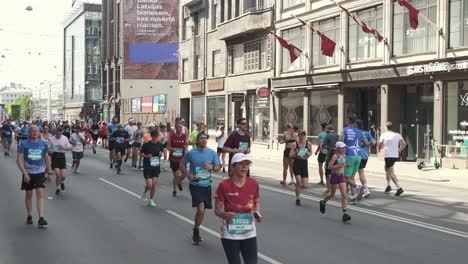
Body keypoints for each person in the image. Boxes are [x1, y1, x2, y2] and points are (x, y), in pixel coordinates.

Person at [214, 153, 261, 264]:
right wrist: (225, 214)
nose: (244, 167)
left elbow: (256, 202)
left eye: (247, 164)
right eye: (240, 164)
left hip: (249, 232)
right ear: (232, 167)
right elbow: (217, 210)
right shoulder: (224, 185)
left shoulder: (253, 183)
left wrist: (257, 212)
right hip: (230, 234)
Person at [180, 132, 221, 245]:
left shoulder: (212, 153)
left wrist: (211, 167)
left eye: (205, 138)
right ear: (197, 141)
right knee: (201, 209)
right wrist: (188, 175)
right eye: (201, 138)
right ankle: (196, 231)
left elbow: (218, 167)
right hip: (195, 185)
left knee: (202, 212)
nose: (204, 140)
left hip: (206, 185)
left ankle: (196, 228)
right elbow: (182, 164)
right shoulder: (191, 153)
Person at [16, 125, 52, 228]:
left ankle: (41, 218)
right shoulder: (24, 144)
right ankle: (29, 215)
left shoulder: (43, 144)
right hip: (28, 173)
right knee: (29, 194)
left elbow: (47, 158)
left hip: (40, 173)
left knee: (40, 193)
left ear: (39, 132)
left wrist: (49, 172)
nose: (35, 132)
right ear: (29, 132)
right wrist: (25, 173)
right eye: (32, 131)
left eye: (36, 131)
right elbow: (19, 160)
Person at [319, 142, 351, 223]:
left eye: (345, 147)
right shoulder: (335, 156)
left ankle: (345, 213)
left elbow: (343, 164)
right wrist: (338, 166)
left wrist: (347, 165)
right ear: (338, 149)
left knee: (344, 195)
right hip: (334, 176)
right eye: (342, 147)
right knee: (332, 195)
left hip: (341, 176)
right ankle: (323, 202)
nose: (344, 149)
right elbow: (329, 166)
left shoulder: (344, 155)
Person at [340, 117, 368, 204]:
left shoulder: (344, 130)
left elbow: (340, 142)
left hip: (349, 155)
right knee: (351, 177)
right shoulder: (359, 131)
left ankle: (358, 187)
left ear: (348, 121)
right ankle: (354, 197)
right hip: (358, 156)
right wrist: (360, 146)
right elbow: (366, 143)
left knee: (346, 177)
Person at [378, 121, 407, 196]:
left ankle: (399, 188)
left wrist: (379, 149)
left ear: (386, 127)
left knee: (390, 172)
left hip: (388, 155)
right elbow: (404, 144)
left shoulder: (384, 135)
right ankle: (388, 186)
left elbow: (380, 144)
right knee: (387, 168)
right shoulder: (397, 135)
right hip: (395, 155)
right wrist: (399, 149)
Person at [139, 130, 164, 207]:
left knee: (154, 185)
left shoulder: (160, 145)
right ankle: (145, 191)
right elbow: (140, 152)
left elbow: (161, 153)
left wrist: (160, 154)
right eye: (154, 137)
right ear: (151, 136)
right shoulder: (146, 144)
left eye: (157, 137)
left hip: (156, 166)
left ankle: (151, 200)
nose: (156, 138)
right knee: (149, 185)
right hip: (147, 166)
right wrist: (146, 156)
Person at [289, 130, 312, 206]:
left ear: (305, 136)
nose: (302, 137)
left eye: (303, 135)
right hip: (297, 164)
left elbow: (311, 152)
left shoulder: (308, 144)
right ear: (298, 136)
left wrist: (308, 154)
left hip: (304, 164)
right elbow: (290, 155)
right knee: (299, 182)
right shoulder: (294, 144)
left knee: (305, 185)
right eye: (300, 135)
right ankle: (297, 198)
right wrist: (295, 153)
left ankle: (298, 189)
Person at [356, 119, 376, 199]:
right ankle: (364, 189)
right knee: (361, 173)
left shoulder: (356, 133)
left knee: (353, 174)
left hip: (357, 155)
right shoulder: (367, 133)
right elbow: (374, 142)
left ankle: (361, 189)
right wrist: (367, 145)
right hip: (365, 155)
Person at [48, 127, 71, 195]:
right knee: (58, 175)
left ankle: (61, 182)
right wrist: (50, 151)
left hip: (62, 156)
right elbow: (48, 148)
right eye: (57, 134)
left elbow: (69, 147)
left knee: (63, 176)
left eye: (60, 134)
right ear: (56, 132)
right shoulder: (51, 138)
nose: (59, 135)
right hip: (55, 156)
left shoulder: (65, 138)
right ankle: (58, 188)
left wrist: (64, 148)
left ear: (62, 133)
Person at [167, 123, 187, 197]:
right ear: (175, 128)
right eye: (178, 127)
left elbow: (186, 145)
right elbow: (168, 147)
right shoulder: (172, 137)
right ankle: (174, 190)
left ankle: (179, 181)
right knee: (176, 175)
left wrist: (186, 152)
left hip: (182, 158)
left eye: (181, 127)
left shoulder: (184, 136)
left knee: (184, 174)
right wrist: (172, 149)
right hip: (174, 158)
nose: (180, 129)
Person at [321, 125, 339, 196]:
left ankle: (329, 190)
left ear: (327, 130)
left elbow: (323, 145)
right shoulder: (338, 136)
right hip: (338, 155)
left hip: (330, 155)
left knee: (327, 173)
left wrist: (325, 146)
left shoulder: (327, 136)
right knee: (337, 172)